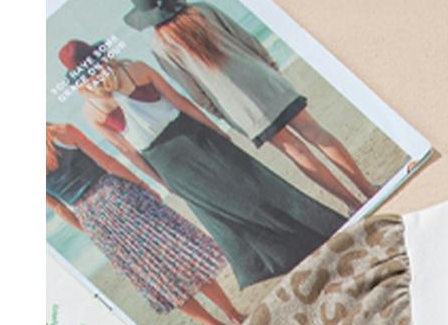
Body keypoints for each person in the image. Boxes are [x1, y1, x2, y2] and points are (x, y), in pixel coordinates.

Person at [97, 0, 378, 211]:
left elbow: (194, 91)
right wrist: (270, 66)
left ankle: (353, 204)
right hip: (265, 81)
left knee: (296, 152)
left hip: (241, 108)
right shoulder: (202, 10)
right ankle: (368, 189)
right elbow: (248, 40)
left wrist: (220, 113)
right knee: (316, 132)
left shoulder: (161, 46)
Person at [59, 40, 343, 289]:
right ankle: (319, 227)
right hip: (191, 134)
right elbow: (181, 102)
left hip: (164, 160)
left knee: (220, 212)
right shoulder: (135, 70)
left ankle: (278, 260)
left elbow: (129, 151)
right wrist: (214, 128)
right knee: (255, 185)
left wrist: (160, 180)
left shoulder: (91, 111)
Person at [45, 120, 243, 325]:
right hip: (116, 195)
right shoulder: (63, 132)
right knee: (178, 254)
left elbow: (59, 208)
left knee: (156, 276)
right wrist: (142, 184)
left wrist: (88, 229)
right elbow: (108, 162)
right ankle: (233, 313)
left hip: (91, 219)